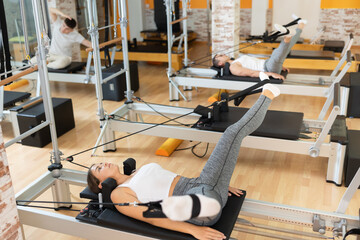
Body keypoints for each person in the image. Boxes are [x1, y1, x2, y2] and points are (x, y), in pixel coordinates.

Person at [87, 81, 281, 240]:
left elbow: (177, 180)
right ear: (102, 184)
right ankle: (268, 93)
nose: (103, 163)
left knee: (232, 135)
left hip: (202, 187)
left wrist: (217, 181)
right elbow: (151, 217)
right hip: (198, 207)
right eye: (98, 168)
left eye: (100, 162)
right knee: (231, 133)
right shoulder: (118, 195)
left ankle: (268, 93)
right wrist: (192, 230)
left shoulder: (135, 173)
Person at [212, 21, 307, 81]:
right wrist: (271, 74)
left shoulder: (237, 60)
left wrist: (279, 67)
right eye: (220, 56)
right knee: (277, 54)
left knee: (280, 52)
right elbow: (252, 73)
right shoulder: (233, 68)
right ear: (220, 63)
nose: (223, 54)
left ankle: (299, 28)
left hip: (269, 63)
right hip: (268, 69)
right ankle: (287, 36)